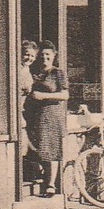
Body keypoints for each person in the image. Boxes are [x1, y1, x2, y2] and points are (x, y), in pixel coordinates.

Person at [24, 40, 68, 197]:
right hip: (36, 115)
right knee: (37, 147)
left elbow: (65, 95)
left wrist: (43, 96)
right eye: (41, 55)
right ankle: (41, 177)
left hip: (52, 115)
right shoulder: (35, 72)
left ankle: (50, 184)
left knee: (51, 149)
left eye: (47, 55)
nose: (44, 58)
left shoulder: (57, 73)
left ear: (54, 56)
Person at [17, 40, 39, 192]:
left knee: (27, 143)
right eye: (26, 55)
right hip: (17, 111)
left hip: (24, 110)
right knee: (24, 144)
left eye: (32, 56)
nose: (29, 58)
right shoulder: (18, 69)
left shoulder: (26, 69)